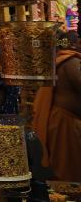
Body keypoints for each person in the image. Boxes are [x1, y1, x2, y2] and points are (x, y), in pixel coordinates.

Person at [34, 35, 81, 182]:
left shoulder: (61, 61)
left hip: (59, 121)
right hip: (64, 125)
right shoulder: (71, 62)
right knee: (68, 171)